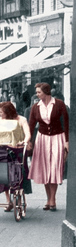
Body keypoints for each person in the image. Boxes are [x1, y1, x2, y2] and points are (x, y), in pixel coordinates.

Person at [27, 82, 69, 211]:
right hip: (42, 139)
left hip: (58, 138)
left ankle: (53, 199)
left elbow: (66, 123)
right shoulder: (35, 107)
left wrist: (67, 141)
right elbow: (31, 125)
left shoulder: (59, 104)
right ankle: (48, 199)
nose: (37, 94)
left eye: (39, 92)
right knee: (45, 168)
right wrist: (28, 140)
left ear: (46, 92)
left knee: (54, 168)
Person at [0, 102, 31, 211]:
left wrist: (24, 141)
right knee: (4, 174)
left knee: (18, 173)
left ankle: (18, 199)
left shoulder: (21, 119)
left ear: (7, 112)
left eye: (1, 112)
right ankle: (8, 201)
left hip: (18, 149)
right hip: (5, 149)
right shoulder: (0, 121)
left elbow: (27, 133)